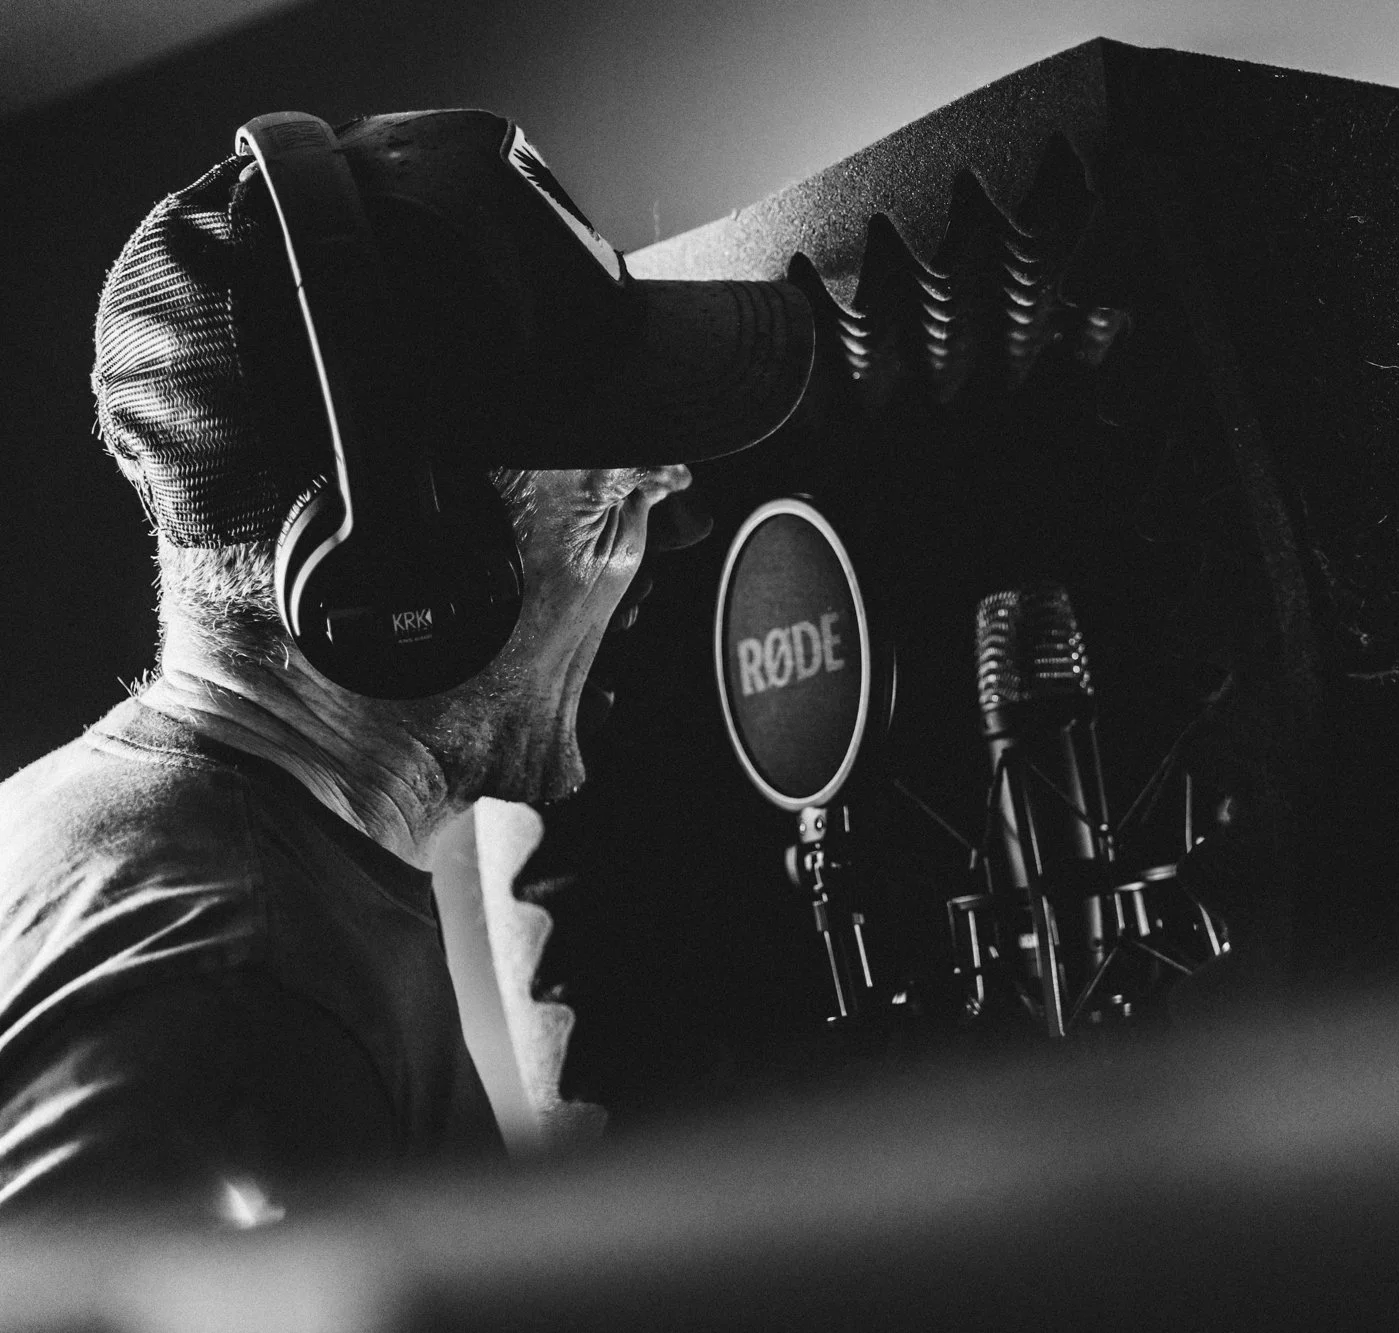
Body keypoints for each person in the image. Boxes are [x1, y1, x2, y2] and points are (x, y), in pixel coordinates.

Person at [0, 109, 814, 1224]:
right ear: (410, 565)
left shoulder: (104, 839)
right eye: (616, 493)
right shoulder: (247, 996)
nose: (661, 531)